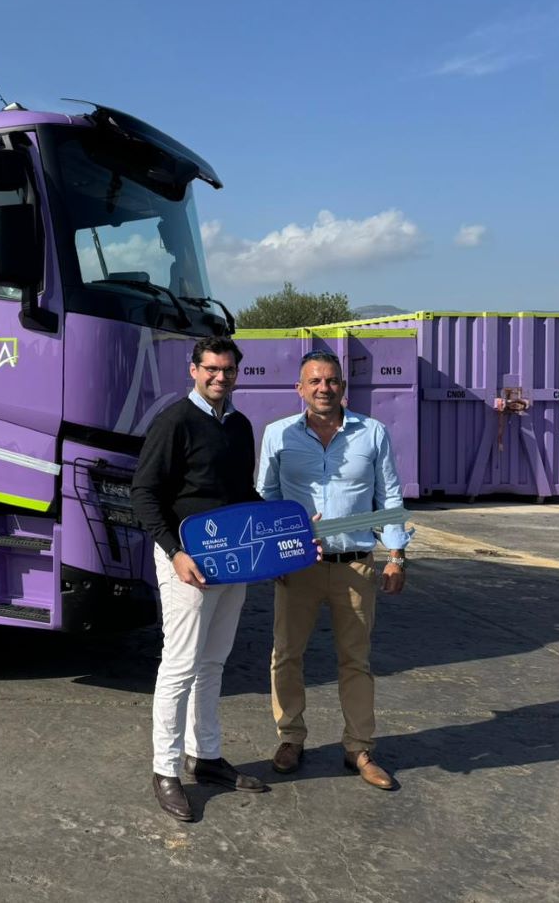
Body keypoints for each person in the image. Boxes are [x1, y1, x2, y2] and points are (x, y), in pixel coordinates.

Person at [256, 350, 411, 790]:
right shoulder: (278, 435)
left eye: (333, 381)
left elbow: (390, 497)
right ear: (300, 389)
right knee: (286, 655)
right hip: (298, 567)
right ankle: (290, 738)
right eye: (315, 381)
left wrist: (396, 555)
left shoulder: (373, 433)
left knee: (355, 660)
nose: (325, 388)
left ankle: (359, 748)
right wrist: (276, 553)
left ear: (343, 386)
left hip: (355, 566)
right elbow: (265, 496)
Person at [131, 336, 267, 822]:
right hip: (187, 562)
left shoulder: (240, 425)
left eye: (228, 370)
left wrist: (283, 526)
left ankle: (205, 757)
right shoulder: (174, 422)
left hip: (234, 563)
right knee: (181, 664)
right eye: (211, 369)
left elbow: (241, 492)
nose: (219, 377)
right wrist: (175, 553)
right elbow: (144, 494)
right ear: (193, 370)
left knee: (214, 663)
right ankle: (165, 770)